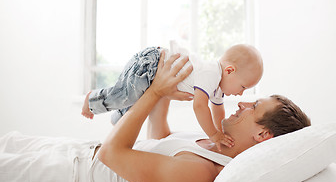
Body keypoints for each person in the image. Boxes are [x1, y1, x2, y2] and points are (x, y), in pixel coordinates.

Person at [0, 52, 310, 182]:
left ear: (263, 135)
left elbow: (112, 154)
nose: (243, 103)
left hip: (72, 176)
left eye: (254, 107)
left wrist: (154, 93)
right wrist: (165, 86)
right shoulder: (214, 142)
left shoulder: (203, 174)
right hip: (75, 152)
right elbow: (158, 137)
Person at [82, 42, 264, 151]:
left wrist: (221, 133)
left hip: (157, 74)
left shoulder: (217, 89)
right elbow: (200, 106)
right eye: (243, 87)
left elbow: (218, 110)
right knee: (125, 95)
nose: (240, 94)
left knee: (134, 98)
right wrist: (214, 135)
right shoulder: (211, 73)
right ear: (229, 70)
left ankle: (118, 118)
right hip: (152, 63)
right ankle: (92, 100)